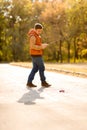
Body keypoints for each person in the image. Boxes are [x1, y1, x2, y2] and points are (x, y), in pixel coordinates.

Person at [27, 23, 51, 88]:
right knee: (42, 67)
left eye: (41, 31)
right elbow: (32, 46)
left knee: (35, 68)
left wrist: (43, 45)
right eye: (38, 31)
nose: (40, 32)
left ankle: (29, 82)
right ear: (35, 29)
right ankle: (43, 82)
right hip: (36, 55)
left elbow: (37, 44)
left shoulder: (37, 35)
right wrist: (41, 47)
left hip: (36, 54)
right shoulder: (33, 36)